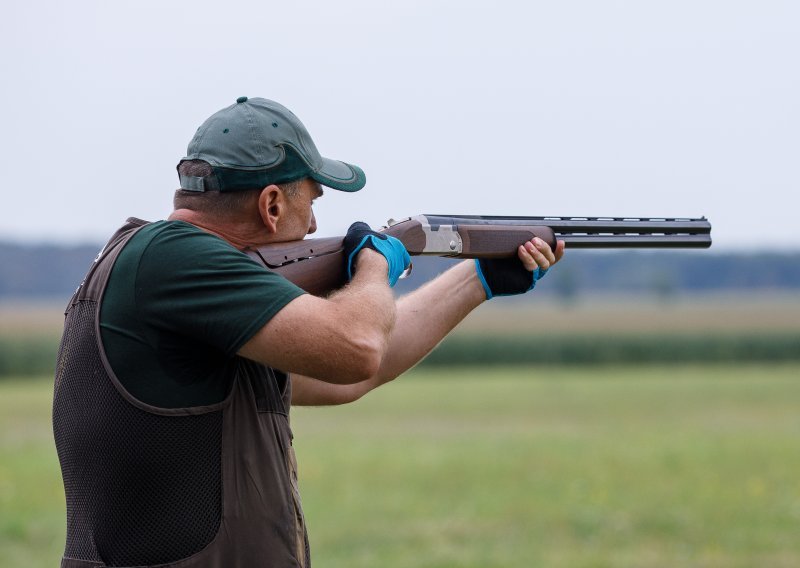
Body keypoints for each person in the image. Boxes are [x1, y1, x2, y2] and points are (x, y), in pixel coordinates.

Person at [52, 96, 564, 568]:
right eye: (312, 200)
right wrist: (372, 265)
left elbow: (351, 375)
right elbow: (356, 348)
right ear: (271, 204)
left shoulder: (182, 284)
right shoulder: (173, 259)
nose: (317, 224)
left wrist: (478, 278)